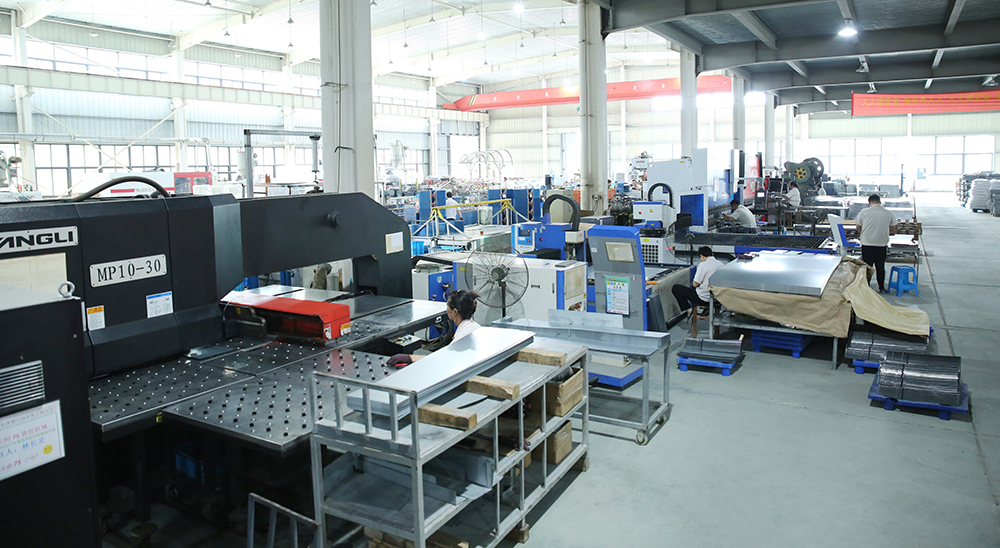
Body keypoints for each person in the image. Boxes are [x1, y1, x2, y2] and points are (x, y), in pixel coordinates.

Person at [387, 290, 480, 367]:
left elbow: (442, 360)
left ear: (455, 312)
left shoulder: (462, 336)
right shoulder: (475, 326)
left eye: (447, 306)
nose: (446, 309)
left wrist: (410, 358)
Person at [854, 193, 897, 293]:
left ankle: (866, 286)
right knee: (880, 266)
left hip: (867, 243)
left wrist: (864, 233)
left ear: (869, 202)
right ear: (880, 202)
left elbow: (858, 226)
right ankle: (881, 287)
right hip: (881, 244)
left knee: (867, 266)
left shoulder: (864, 212)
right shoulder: (888, 213)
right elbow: (893, 228)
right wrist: (884, 232)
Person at [672, 246, 725, 319]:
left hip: (705, 298)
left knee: (676, 288)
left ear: (702, 256)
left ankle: (688, 309)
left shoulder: (703, 265)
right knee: (694, 289)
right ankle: (706, 309)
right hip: (718, 298)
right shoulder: (721, 264)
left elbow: (695, 284)